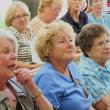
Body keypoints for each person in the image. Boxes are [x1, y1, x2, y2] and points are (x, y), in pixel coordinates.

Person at [34, 20, 93, 110]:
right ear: (48, 49)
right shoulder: (47, 77)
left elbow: (86, 104)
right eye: (62, 42)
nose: (70, 45)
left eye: (70, 40)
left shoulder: (71, 66)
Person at [0, 29, 53, 110]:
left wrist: (33, 89)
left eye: (14, 51)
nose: (14, 56)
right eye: (6, 51)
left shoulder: (20, 83)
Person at [78, 24, 110, 110]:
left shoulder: (104, 60)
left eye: (107, 41)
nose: (107, 47)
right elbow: (107, 105)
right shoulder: (86, 73)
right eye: (100, 44)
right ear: (88, 50)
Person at [5, 1, 41, 69]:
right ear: (10, 20)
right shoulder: (10, 34)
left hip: (36, 69)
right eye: (18, 16)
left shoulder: (30, 31)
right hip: (20, 73)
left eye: (25, 15)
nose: (22, 19)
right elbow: (10, 61)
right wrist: (33, 66)